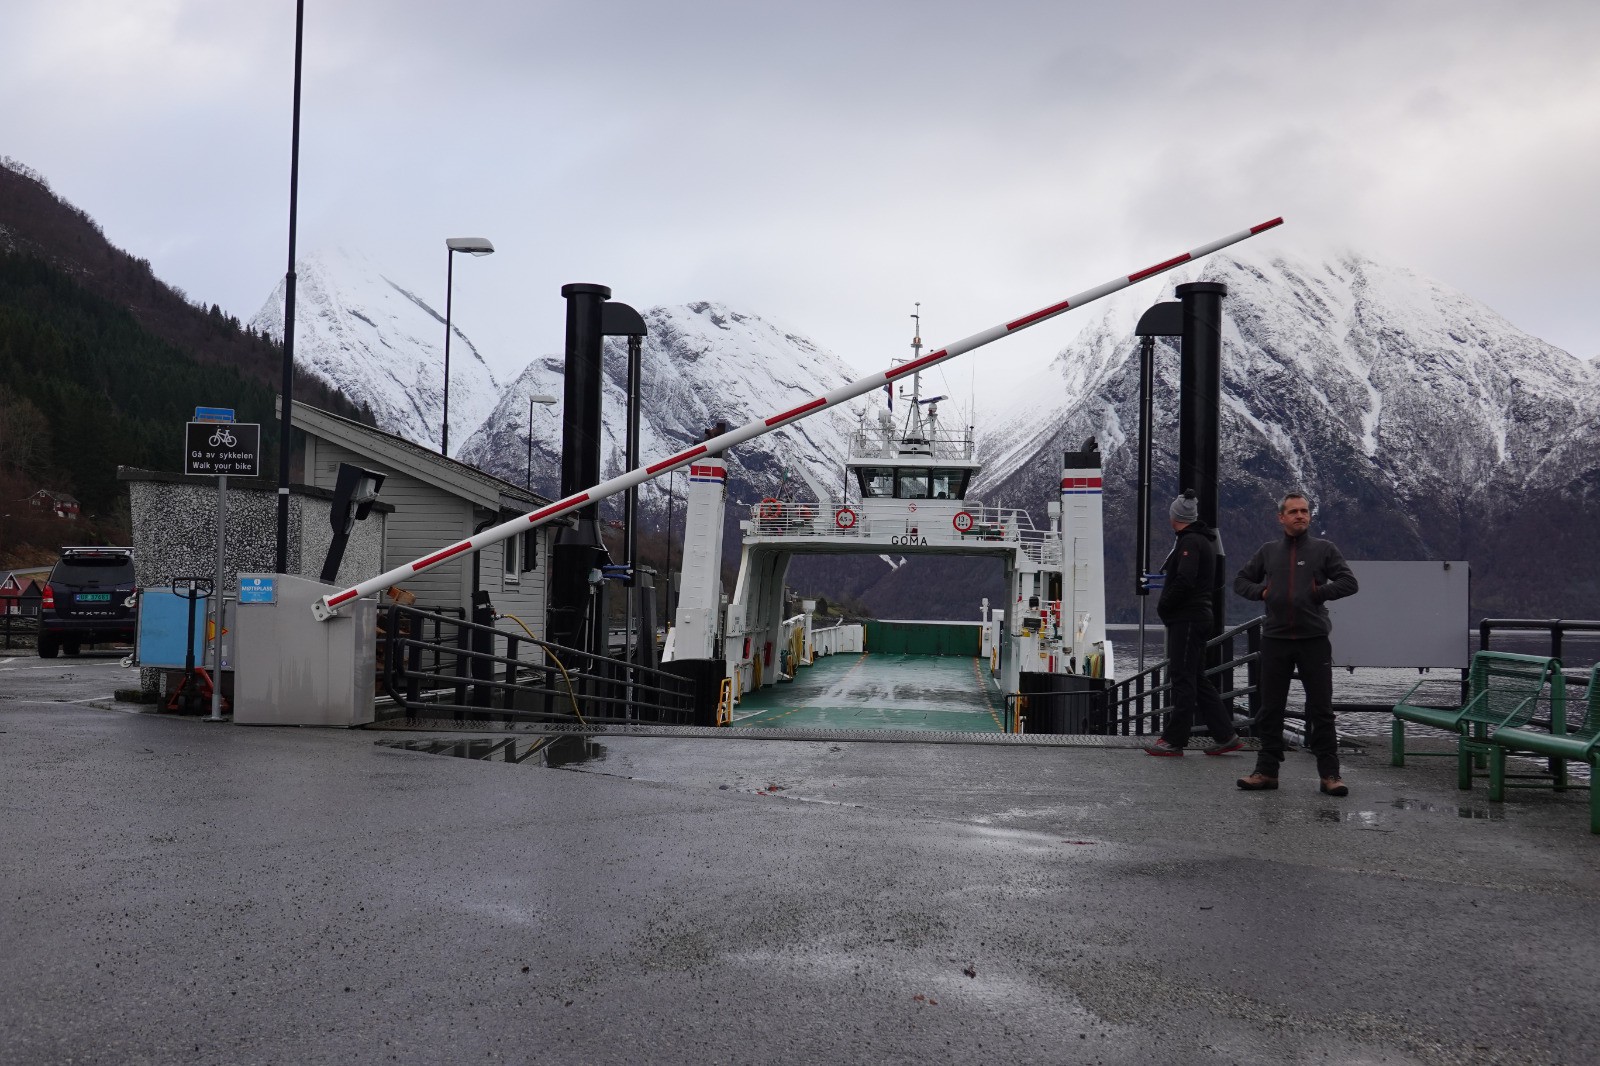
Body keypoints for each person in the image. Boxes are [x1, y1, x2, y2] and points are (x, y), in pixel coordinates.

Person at [1232, 491, 1359, 796]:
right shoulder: (1268, 551)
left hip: (1313, 639)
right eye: (1294, 512)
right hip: (1275, 638)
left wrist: (1317, 593)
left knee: (1321, 709)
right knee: (1270, 709)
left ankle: (1330, 775)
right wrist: (1264, 593)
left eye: (1304, 511)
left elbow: (1349, 582)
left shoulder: (1324, 549)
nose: (1300, 516)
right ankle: (1266, 772)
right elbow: (1240, 582)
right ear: (1281, 518)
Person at [1143, 490, 1242, 758]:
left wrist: (1164, 606)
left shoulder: (1190, 542)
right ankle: (1226, 734)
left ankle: (1174, 740)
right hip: (1197, 617)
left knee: (1182, 678)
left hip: (1187, 619)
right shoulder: (1201, 540)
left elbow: (1185, 580)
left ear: (1177, 516)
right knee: (1196, 678)